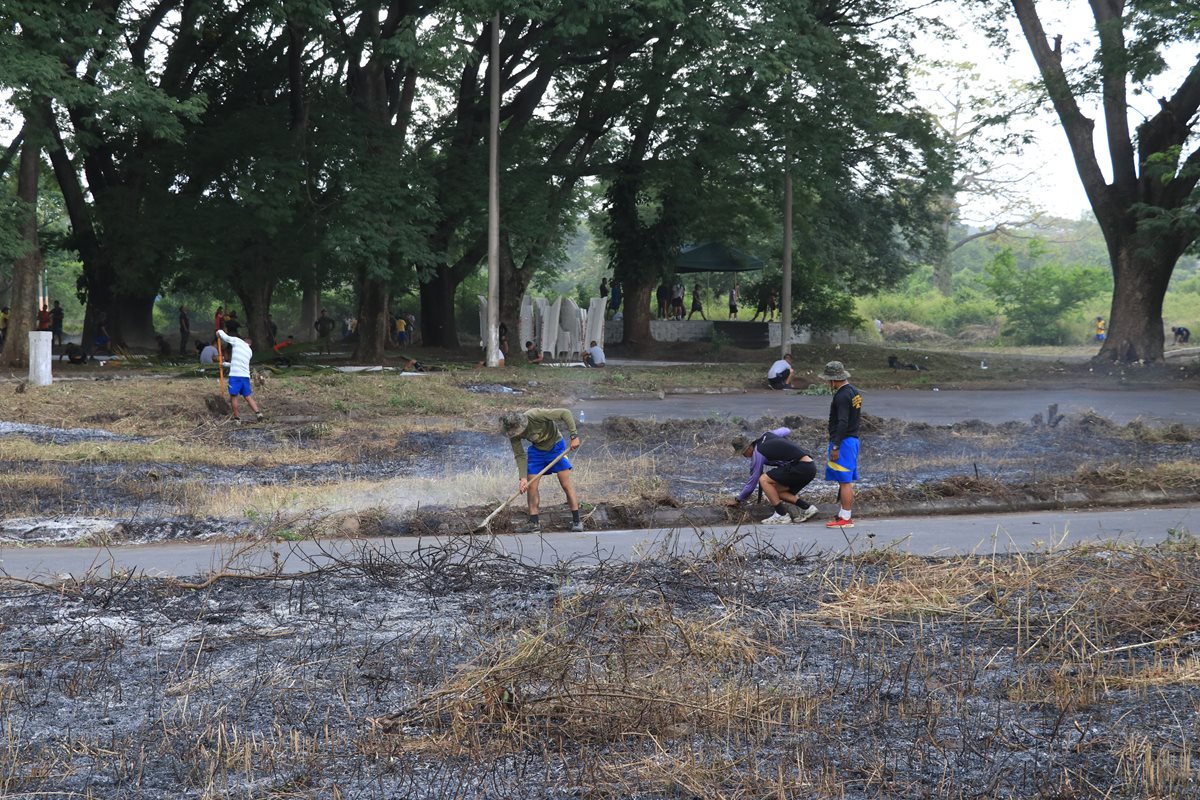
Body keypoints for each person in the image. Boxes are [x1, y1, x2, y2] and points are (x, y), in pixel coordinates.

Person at [500, 409, 583, 533]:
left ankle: (577, 520)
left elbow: (565, 413)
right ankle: (534, 523)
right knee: (531, 485)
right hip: (537, 451)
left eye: (518, 431)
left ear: (522, 425)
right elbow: (520, 455)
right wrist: (522, 478)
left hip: (556, 446)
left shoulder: (536, 415)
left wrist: (574, 436)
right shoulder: (512, 433)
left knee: (565, 483)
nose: (517, 434)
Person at [726, 428, 819, 524]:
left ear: (748, 448)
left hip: (800, 467)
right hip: (810, 466)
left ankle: (781, 515)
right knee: (774, 490)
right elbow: (786, 430)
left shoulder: (757, 454)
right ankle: (807, 508)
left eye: (743, 453)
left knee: (763, 479)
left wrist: (738, 500)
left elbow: (752, 482)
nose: (744, 456)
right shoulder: (767, 435)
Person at [822, 360, 861, 529]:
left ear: (833, 379)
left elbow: (843, 422)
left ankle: (846, 517)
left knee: (845, 481)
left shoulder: (842, 395)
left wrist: (836, 446)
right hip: (852, 440)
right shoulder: (853, 391)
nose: (827, 383)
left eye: (827, 380)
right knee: (845, 480)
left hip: (844, 442)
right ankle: (842, 513)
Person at [217, 329, 264, 424]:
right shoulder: (250, 352)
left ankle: (237, 418)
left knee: (234, 396)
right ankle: (258, 413)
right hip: (245, 376)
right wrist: (225, 364)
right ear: (249, 344)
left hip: (235, 376)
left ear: (243, 340)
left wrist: (219, 332)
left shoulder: (237, 341)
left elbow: (225, 337)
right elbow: (239, 363)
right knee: (247, 396)